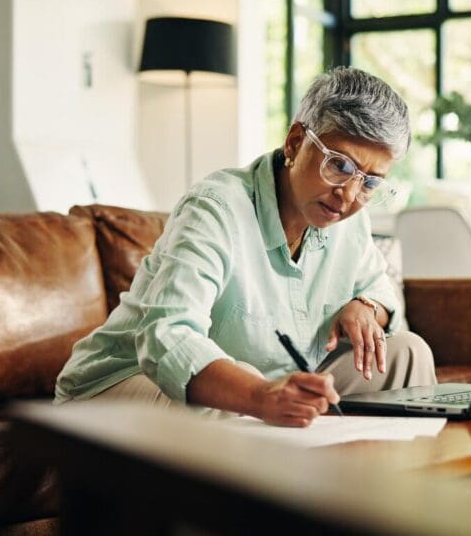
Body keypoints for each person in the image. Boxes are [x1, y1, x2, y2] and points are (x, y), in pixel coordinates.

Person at [55, 67, 437, 427]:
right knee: (230, 398)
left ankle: (392, 490)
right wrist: (258, 393)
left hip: (265, 386)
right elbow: (167, 336)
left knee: (407, 353)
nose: (349, 195)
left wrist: (365, 306)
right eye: (339, 166)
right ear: (295, 142)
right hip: (120, 384)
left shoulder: (349, 219)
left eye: (370, 183)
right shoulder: (216, 207)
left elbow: (381, 292)